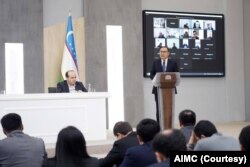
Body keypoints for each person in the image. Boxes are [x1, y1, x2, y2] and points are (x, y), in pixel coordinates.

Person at [150, 46, 179, 122]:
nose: (162, 53)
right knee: (159, 109)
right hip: (158, 89)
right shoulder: (155, 62)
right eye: (161, 51)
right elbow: (151, 75)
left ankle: (169, 126)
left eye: (164, 51)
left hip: (170, 89)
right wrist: (157, 80)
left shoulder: (173, 63)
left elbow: (176, 75)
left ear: (168, 53)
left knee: (169, 109)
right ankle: (159, 128)